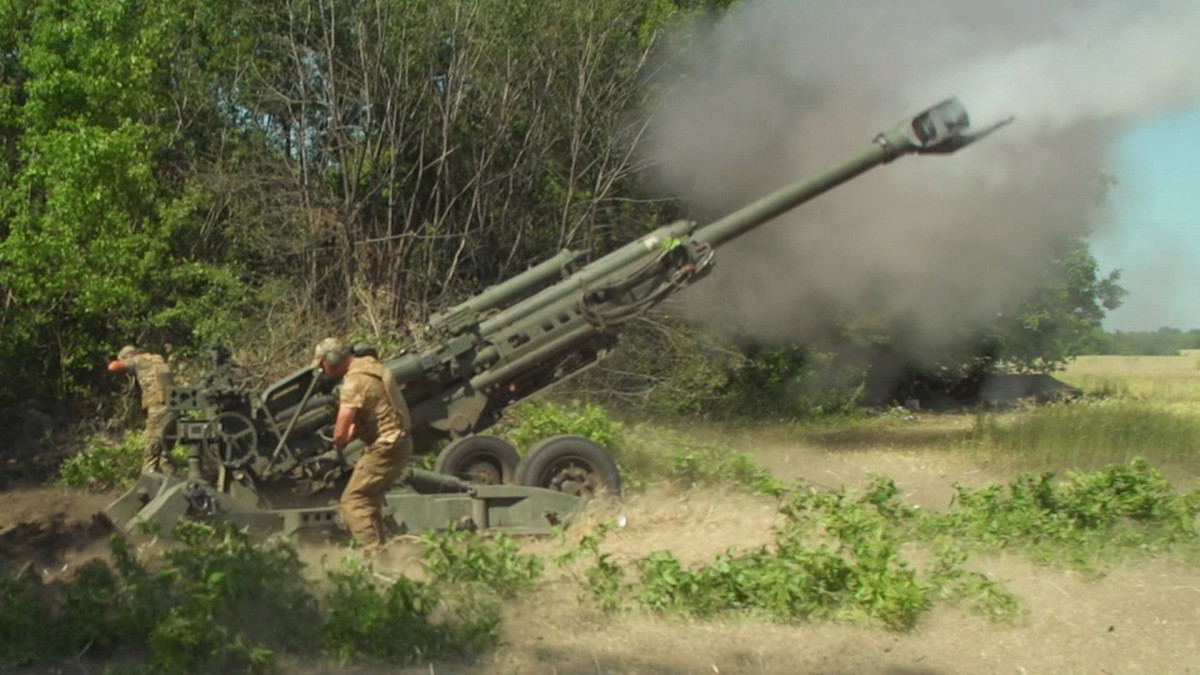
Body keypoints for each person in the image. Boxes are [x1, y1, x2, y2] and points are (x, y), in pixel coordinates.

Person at [312, 337, 413, 552]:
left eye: (322, 365)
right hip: (399, 441)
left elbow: (341, 429)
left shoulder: (354, 382)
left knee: (353, 501)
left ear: (332, 360)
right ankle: (384, 549)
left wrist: (338, 442)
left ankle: (373, 555)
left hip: (387, 444)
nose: (322, 369)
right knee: (369, 501)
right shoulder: (370, 365)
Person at [108, 345, 176, 473]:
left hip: (158, 408)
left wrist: (120, 362)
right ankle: (171, 480)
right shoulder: (156, 359)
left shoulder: (138, 360)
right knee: (164, 454)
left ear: (128, 356)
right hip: (174, 409)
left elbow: (112, 366)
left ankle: (146, 482)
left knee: (152, 450)